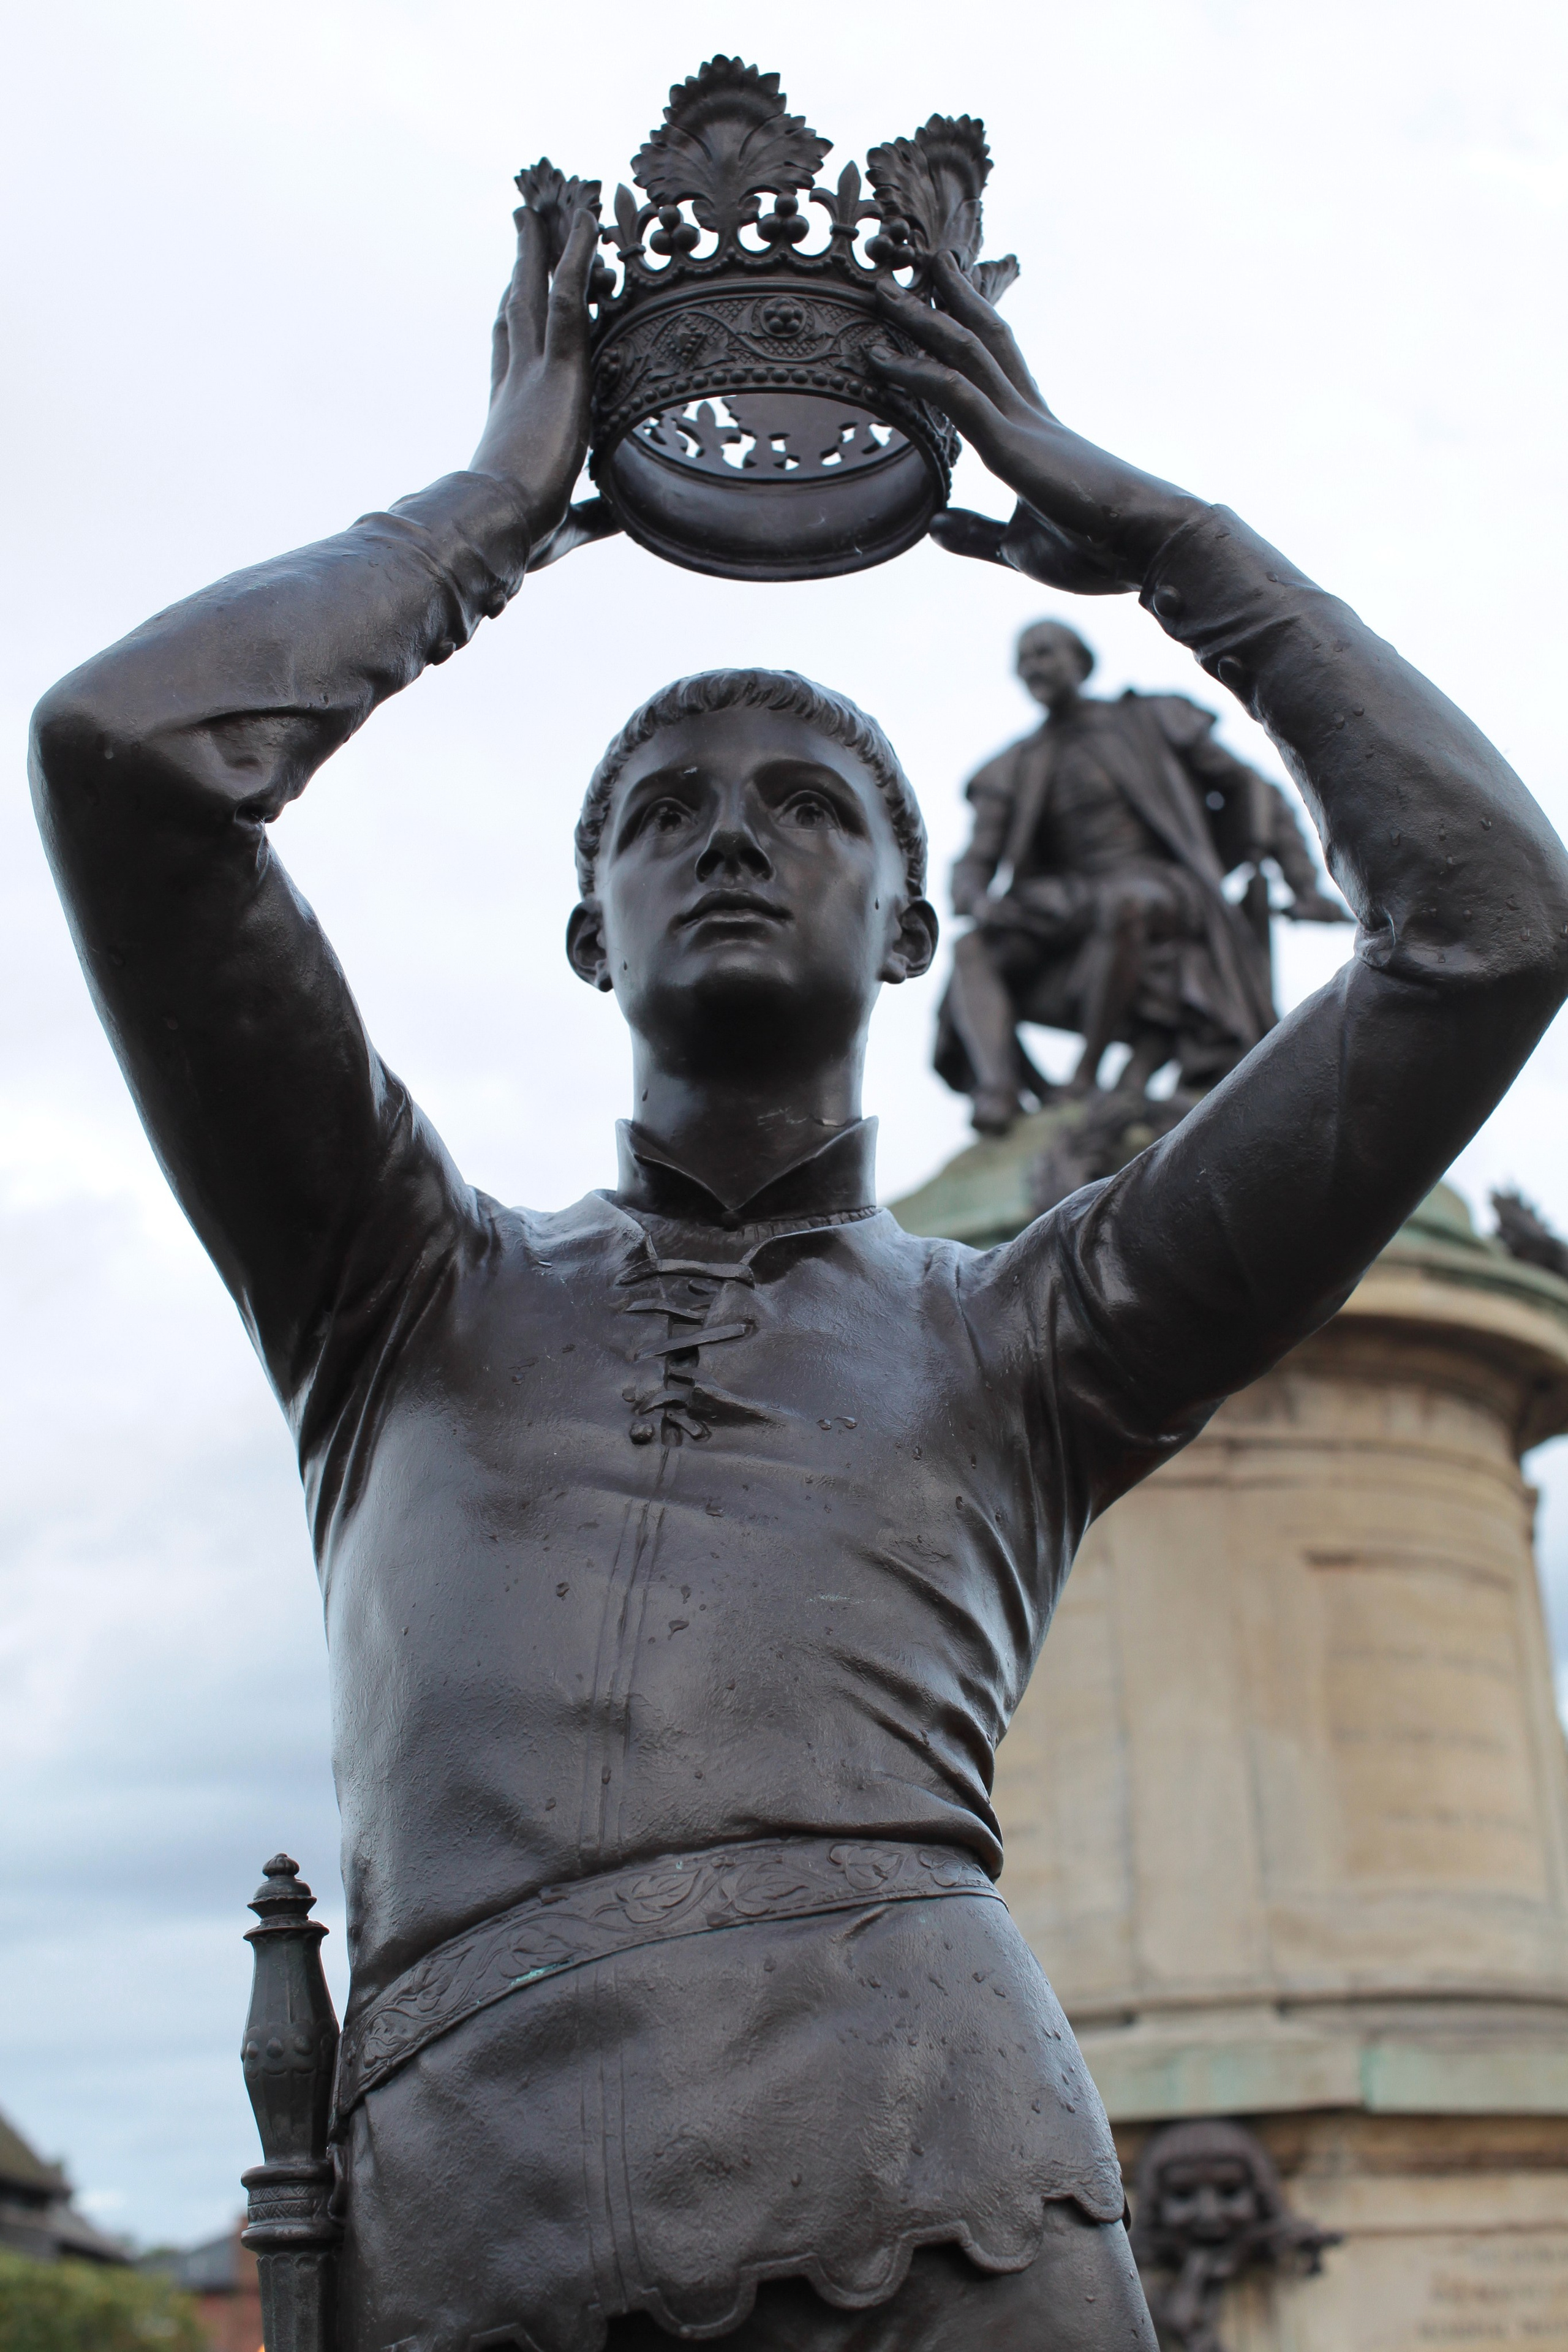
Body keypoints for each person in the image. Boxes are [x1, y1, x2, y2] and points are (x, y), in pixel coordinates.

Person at [29, 204, 1568, 2352]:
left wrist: (1176, 545)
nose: (732, 834)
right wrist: (489, 516)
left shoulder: (1034, 1331)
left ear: (922, 933)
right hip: (475, 2236)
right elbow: (128, 767)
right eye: (663, 811)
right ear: (588, 934)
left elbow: (1488, 924)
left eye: (808, 806)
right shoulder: (389, 1286)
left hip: (956, 2221)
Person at [935, 619, 1345, 1135]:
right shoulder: (1012, 765)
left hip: (1164, 882)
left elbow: (1253, 789)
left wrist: (1302, 883)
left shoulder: (1153, 718)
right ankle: (1001, 1089)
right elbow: (977, 857)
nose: (1034, 667)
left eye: (1045, 653)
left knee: (1126, 902)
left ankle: (1086, 1074)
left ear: (1080, 661)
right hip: (1069, 895)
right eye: (1025, 659)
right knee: (973, 948)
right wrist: (973, 897)